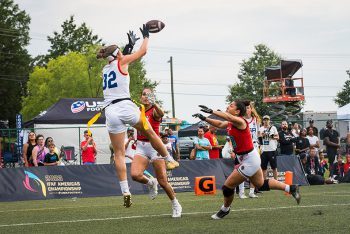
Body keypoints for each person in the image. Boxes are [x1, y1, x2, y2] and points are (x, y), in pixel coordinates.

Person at [96, 27, 177, 207]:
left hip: (110, 110)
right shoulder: (121, 61)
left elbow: (119, 60)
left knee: (118, 153)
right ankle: (169, 158)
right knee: (150, 132)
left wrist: (127, 47)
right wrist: (146, 36)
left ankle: (125, 189)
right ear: (118, 54)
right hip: (125, 106)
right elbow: (143, 52)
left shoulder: (105, 69)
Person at [192, 101, 300, 220]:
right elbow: (219, 123)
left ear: (237, 111)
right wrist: (205, 118)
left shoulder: (240, 121)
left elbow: (227, 116)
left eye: (231, 106)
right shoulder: (231, 122)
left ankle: (225, 209)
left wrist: (212, 111)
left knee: (227, 187)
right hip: (247, 157)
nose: (228, 106)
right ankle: (291, 188)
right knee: (261, 184)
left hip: (249, 159)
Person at [131, 87, 182, 218]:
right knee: (135, 175)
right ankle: (151, 183)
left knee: (163, 181)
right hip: (141, 146)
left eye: (148, 95)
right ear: (140, 96)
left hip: (155, 147)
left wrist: (154, 103)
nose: (145, 96)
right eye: (143, 94)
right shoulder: (138, 110)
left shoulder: (154, 110)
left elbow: (161, 113)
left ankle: (175, 204)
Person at [243, 100, 261, 198]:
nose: (247, 110)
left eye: (248, 108)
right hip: (244, 146)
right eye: (245, 108)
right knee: (242, 169)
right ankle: (241, 192)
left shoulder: (255, 120)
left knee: (255, 168)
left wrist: (259, 144)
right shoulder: (240, 119)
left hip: (254, 145)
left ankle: (251, 191)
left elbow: (258, 134)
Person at [259, 115, 279, 180]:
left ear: (269, 121)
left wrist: (271, 136)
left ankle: (276, 182)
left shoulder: (273, 128)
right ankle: (264, 183)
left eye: (267, 120)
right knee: (263, 167)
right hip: (264, 150)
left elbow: (278, 137)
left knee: (274, 167)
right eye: (264, 120)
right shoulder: (261, 128)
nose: (266, 121)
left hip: (272, 150)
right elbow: (259, 136)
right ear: (263, 121)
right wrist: (262, 135)